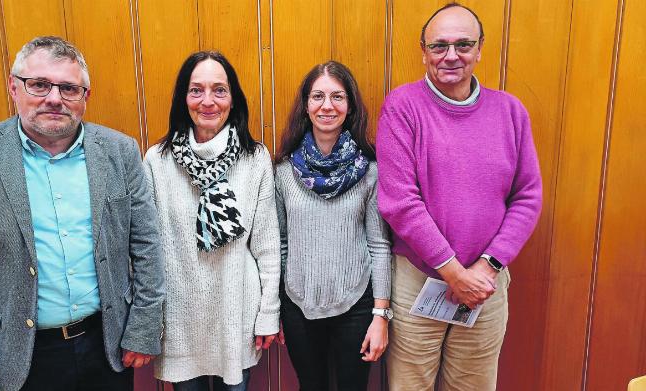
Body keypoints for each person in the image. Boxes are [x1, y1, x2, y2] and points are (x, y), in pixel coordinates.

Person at [0, 36, 165, 391]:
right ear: (14, 87)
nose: (54, 98)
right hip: (16, 359)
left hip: (106, 346)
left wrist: (145, 328)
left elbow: (147, 243)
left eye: (69, 88)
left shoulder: (120, 151)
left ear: (85, 96)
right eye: (39, 84)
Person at [376, 3, 543, 391]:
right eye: (439, 46)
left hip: (487, 282)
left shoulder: (511, 112)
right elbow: (400, 201)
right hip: (420, 280)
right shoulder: (402, 107)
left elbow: (528, 197)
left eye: (463, 44)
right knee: (408, 386)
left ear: (480, 48)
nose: (451, 56)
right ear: (423, 51)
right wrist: (454, 273)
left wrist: (485, 269)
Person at [144, 51, 280, 391]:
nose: (208, 101)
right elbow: (148, 250)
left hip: (236, 314)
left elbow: (267, 246)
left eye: (219, 90)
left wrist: (268, 315)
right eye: (197, 90)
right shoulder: (157, 162)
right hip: (179, 321)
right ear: (183, 98)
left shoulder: (255, 158)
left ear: (233, 100)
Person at [274, 61, 392, 391]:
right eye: (318, 96)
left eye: (338, 97)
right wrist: (279, 308)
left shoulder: (369, 170)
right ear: (306, 104)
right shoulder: (283, 170)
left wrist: (380, 316)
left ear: (350, 105)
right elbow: (280, 244)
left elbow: (380, 245)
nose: (327, 106)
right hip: (298, 305)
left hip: (356, 305)